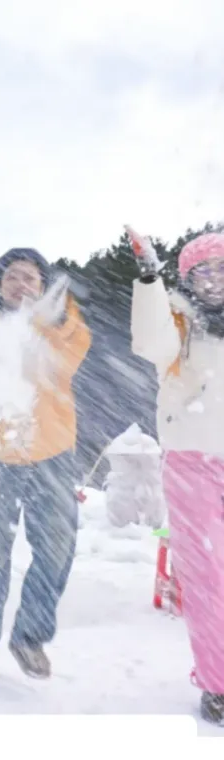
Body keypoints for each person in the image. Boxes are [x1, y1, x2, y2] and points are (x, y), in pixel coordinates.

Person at [0, 247, 92, 682]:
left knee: (56, 550)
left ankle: (29, 637)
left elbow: (72, 355)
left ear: (42, 286)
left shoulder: (60, 321)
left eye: (30, 277)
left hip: (52, 453)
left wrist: (54, 317)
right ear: (0, 287)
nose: (20, 284)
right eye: (11, 277)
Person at [128, 226, 224, 726]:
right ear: (188, 279)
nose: (214, 280)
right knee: (206, 576)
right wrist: (150, 279)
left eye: (223, 270)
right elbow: (149, 342)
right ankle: (218, 684)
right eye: (203, 272)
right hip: (192, 461)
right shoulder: (177, 321)